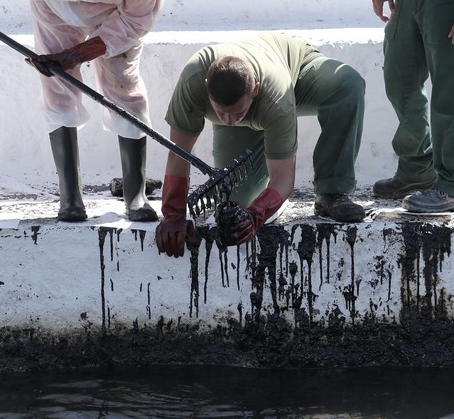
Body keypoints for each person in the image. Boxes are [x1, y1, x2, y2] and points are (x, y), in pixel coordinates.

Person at [0, 0, 164, 222]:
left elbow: (136, 19)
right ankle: (70, 196)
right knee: (57, 87)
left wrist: (74, 55)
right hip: (55, 7)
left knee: (122, 84)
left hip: (118, 13)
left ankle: (135, 194)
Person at [154, 33, 367, 257]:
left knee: (347, 84)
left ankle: (332, 192)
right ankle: (265, 196)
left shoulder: (277, 98)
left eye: (237, 112)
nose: (229, 120)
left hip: (294, 73)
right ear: (207, 88)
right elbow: (178, 153)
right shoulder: (193, 80)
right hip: (256, 99)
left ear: (254, 90)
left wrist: (257, 214)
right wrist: (173, 215)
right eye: (220, 112)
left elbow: (284, 177)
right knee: (236, 206)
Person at [371, 0, 454, 213]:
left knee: (451, 93)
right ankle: (417, 170)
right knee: (400, 81)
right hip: (406, 4)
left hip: (446, 5)